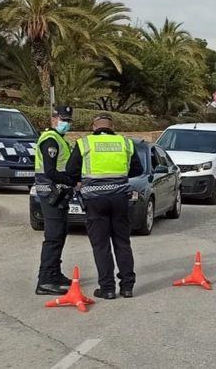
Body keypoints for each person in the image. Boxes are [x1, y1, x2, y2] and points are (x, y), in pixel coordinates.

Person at [66, 113, 142, 300]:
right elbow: (137, 170)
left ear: (94, 127)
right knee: (122, 243)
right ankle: (127, 287)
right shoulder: (125, 143)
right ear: (112, 126)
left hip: (95, 200)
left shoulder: (85, 143)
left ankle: (107, 288)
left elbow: (71, 172)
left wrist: (80, 182)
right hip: (119, 199)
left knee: (101, 246)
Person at [34, 106, 75, 295]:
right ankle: (45, 281)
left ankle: (55, 273)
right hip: (50, 193)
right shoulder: (50, 140)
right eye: (63, 119)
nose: (66, 123)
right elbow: (50, 172)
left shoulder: (59, 139)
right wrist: (72, 180)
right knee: (53, 237)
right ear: (54, 118)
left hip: (58, 194)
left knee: (60, 234)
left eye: (68, 120)